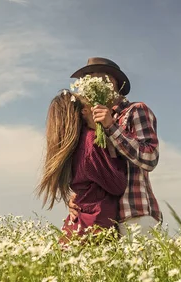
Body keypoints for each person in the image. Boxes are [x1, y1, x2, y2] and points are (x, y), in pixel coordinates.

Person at [68, 57, 163, 238]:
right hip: (101, 218)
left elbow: (150, 158)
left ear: (113, 82)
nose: (89, 86)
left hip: (134, 214)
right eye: (87, 80)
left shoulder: (136, 111)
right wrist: (77, 198)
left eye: (97, 78)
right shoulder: (90, 122)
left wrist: (111, 126)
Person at [36, 90, 127, 240]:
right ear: (82, 112)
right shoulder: (90, 142)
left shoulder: (69, 147)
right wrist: (119, 160)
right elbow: (117, 185)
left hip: (78, 223)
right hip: (95, 224)